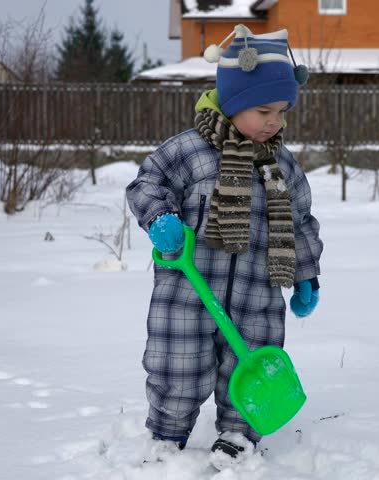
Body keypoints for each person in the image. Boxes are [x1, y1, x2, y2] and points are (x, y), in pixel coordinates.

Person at [125, 24, 323, 467]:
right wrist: (159, 218)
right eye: (264, 110)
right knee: (178, 364)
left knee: (249, 363)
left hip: (256, 293)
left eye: (283, 111)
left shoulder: (282, 167)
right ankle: (167, 433)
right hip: (188, 292)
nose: (275, 121)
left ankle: (238, 432)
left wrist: (307, 273)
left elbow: (301, 220)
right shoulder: (190, 152)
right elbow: (145, 184)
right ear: (233, 102)